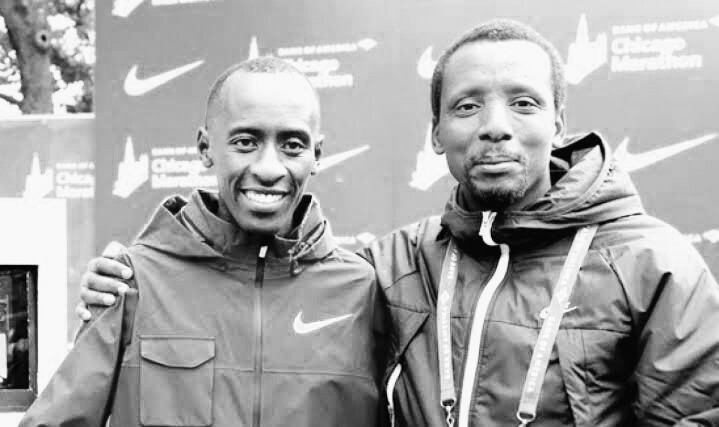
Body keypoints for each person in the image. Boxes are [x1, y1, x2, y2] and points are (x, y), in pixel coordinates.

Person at [78, 20, 719, 427]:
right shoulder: (396, 263)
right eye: (467, 107)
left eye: (524, 103)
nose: (495, 126)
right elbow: (266, 286)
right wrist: (133, 281)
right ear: (436, 133)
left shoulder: (652, 263)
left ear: (558, 121)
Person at [21, 57, 384, 427]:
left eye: (292, 145)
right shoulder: (132, 283)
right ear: (205, 147)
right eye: (245, 142)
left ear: (316, 155)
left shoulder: (365, 291)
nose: (268, 168)